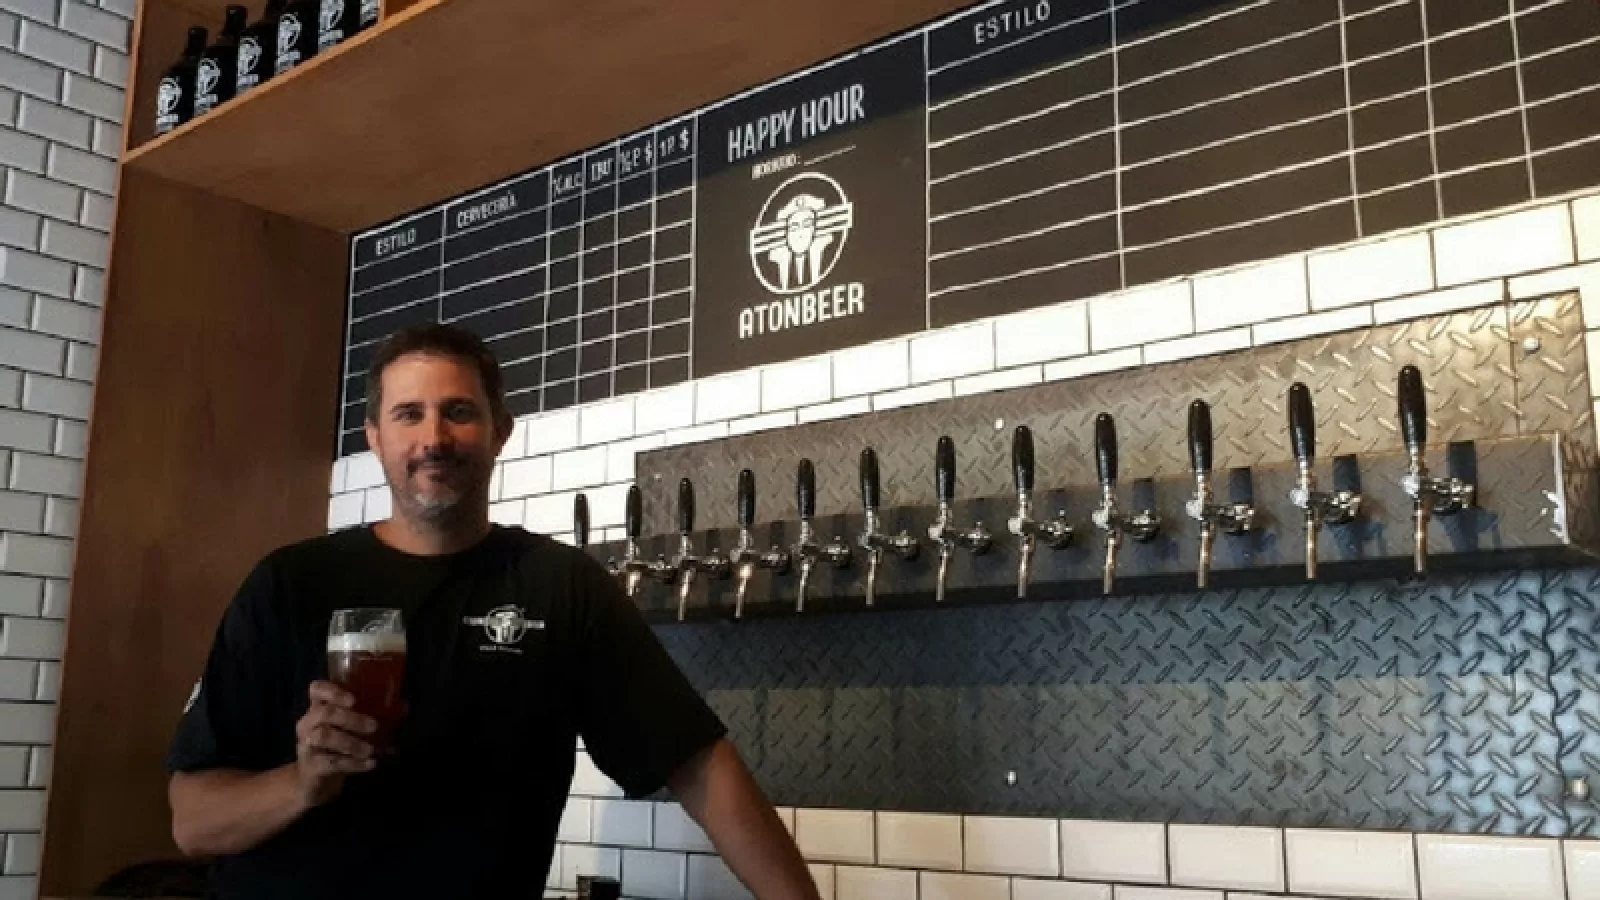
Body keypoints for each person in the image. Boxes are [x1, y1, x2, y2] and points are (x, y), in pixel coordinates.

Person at [166, 323, 820, 899]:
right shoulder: (290, 585)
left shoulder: (561, 587)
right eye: (409, 414)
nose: (434, 437)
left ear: (499, 431)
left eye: (458, 412)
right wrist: (303, 783)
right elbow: (193, 823)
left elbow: (700, 766)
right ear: (375, 438)